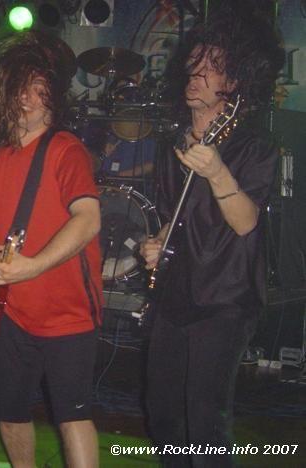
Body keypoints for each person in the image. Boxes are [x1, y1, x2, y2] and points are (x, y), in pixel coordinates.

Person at [139, 9, 284, 468]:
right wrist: (155, 243)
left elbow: (245, 222)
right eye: (194, 63)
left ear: (234, 82)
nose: (196, 75)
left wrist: (218, 171)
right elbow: (174, 218)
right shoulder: (174, 144)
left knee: (205, 422)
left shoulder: (254, 147)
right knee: (163, 415)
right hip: (176, 291)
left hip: (225, 297)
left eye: (211, 67)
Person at [0, 30, 102, 468]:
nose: (27, 98)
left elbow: (88, 219)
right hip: (13, 311)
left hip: (68, 312)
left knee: (72, 417)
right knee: (8, 412)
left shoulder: (66, 150)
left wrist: (34, 266)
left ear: (53, 97)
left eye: (37, 89)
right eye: (20, 87)